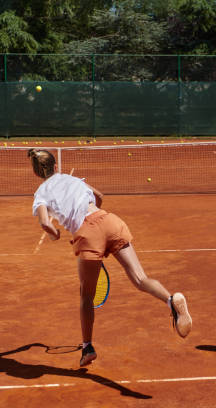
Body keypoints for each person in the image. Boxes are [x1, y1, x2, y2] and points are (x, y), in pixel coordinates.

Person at [27, 148, 192, 367]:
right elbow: (100, 196)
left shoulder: (41, 193)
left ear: (36, 173)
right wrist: (98, 222)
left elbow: (46, 223)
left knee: (87, 297)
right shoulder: (72, 179)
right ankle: (171, 300)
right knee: (140, 279)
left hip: (87, 234)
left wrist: (55, 235)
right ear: (56, 166)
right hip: (110, 221)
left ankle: (88, 347)